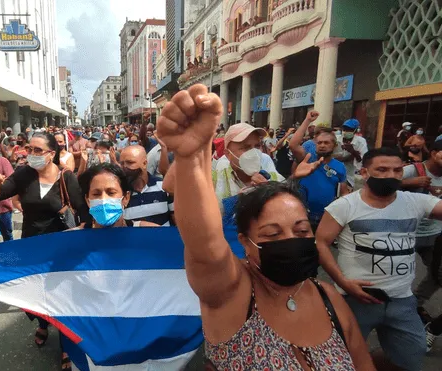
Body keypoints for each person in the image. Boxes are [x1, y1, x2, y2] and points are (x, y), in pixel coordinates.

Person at [157, 84, 375, 370]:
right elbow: (204, 239)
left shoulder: (329, 298)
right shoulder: (233, 295)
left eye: (301, 231)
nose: (290, 240)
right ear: (247, 242)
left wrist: (290, 178)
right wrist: (192, 157)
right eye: (272, 234)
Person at [316, 147, 442, 371]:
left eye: (397, 170)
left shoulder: (415, 201)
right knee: (341, 358)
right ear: (364, 173)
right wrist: (343, 283)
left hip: (401, 301)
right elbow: (321, 243)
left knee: (411, 356)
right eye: (382, 170)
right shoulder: (344, 206)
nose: (390, 175)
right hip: (355, 299)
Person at [0, 131, 87, 368]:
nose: (31, 154)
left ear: (51, 154)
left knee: (61, 296)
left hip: (61, 248)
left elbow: (83, 213)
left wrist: (79, 233)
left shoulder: (66, 177)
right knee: (35, 292)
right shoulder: (23, 175)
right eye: (29, 149)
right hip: (31, 245)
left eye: (37, 150)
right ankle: (42, 324)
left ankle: (65, 344)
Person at [401, 140, 442, 350]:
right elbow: (382, 184)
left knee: (438, 274)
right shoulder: (412, 169)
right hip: (406, 233)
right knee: (395, 277)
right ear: (434, 152)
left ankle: (415, 304)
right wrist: (410, 183)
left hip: (435, 234)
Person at [289, 112, 349, 230]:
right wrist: (307, 120)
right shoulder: (307, 160)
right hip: (303, 215)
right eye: (319, 143)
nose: (322, 145)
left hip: (327, 217)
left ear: (334, 145)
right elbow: (293, 145)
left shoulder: (340, 167)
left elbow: (344, 193)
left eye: (326, 143)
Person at [120, 145, 173, 226]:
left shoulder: (163, 187)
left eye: (130, 162)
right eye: (122, 163)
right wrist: (139, 224)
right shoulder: (120, 192)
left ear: (144, 164)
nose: (125, 167)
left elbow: (177, 220)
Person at [336, 119, 368, 189]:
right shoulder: (336, 139)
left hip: (351, 174)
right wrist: (352, 156)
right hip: (335, 171)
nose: (346, 131)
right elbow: (331, 157)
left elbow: (362, 159)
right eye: (344, 129)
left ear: (356, 131)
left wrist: (353, 151)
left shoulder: (361, 142)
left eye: (349, 130)